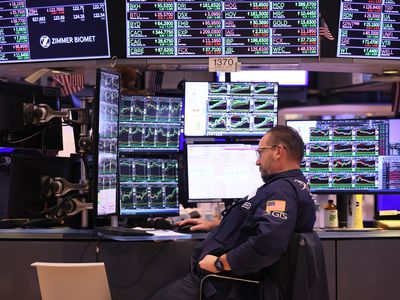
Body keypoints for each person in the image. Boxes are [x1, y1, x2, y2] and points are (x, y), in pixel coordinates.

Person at [149, 125, 316, 300]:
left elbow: (268, 243)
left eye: (260, 152)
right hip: (222, 279)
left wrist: (221, 263)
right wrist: (216, 225)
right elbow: (258, 226)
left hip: (222, 283)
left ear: (278, 151)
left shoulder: (281, 191)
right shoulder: (291, 186)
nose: (257, 161)